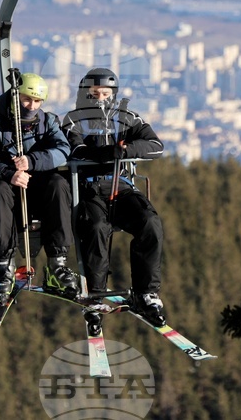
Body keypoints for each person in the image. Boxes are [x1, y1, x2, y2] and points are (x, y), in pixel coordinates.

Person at [62, 68, 168, 326]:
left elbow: (155, 146)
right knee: (96, 227)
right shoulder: (73, 120)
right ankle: (96, 293)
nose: (100, 98)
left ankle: (146, 292)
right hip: (89, 186)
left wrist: (128, 149)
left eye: (105, 93)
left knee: (149, 222)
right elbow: (76, 149)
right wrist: (108, 153)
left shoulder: (127, 118)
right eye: (94, 94)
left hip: (120, 186)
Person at [0, 72, 78, 303]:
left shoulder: (48, 122)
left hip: (37, 189)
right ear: (15, 97)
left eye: (37, 101)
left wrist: (33, 161)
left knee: (58, 184)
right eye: (26, 99)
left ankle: (57, 262)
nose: (32, 106)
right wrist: (7, 172)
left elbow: (62, 149)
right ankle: (4, 266)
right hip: (6, 188)